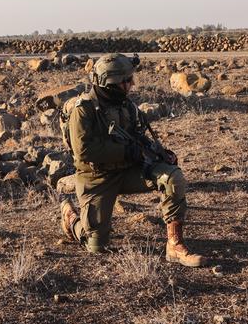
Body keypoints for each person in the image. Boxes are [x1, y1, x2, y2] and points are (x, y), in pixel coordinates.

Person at [59, 54, 206, 267]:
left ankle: (175, 246)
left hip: (128, 170)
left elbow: (138, 136)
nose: (132, 84)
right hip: (97, 178)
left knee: (172, 178)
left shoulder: (126, 105)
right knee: (96, 246)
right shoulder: (84, 109)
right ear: (110, 83)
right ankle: (71, 218)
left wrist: (158, 153)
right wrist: (126, 151)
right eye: (127, 80)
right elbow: (84, 151)